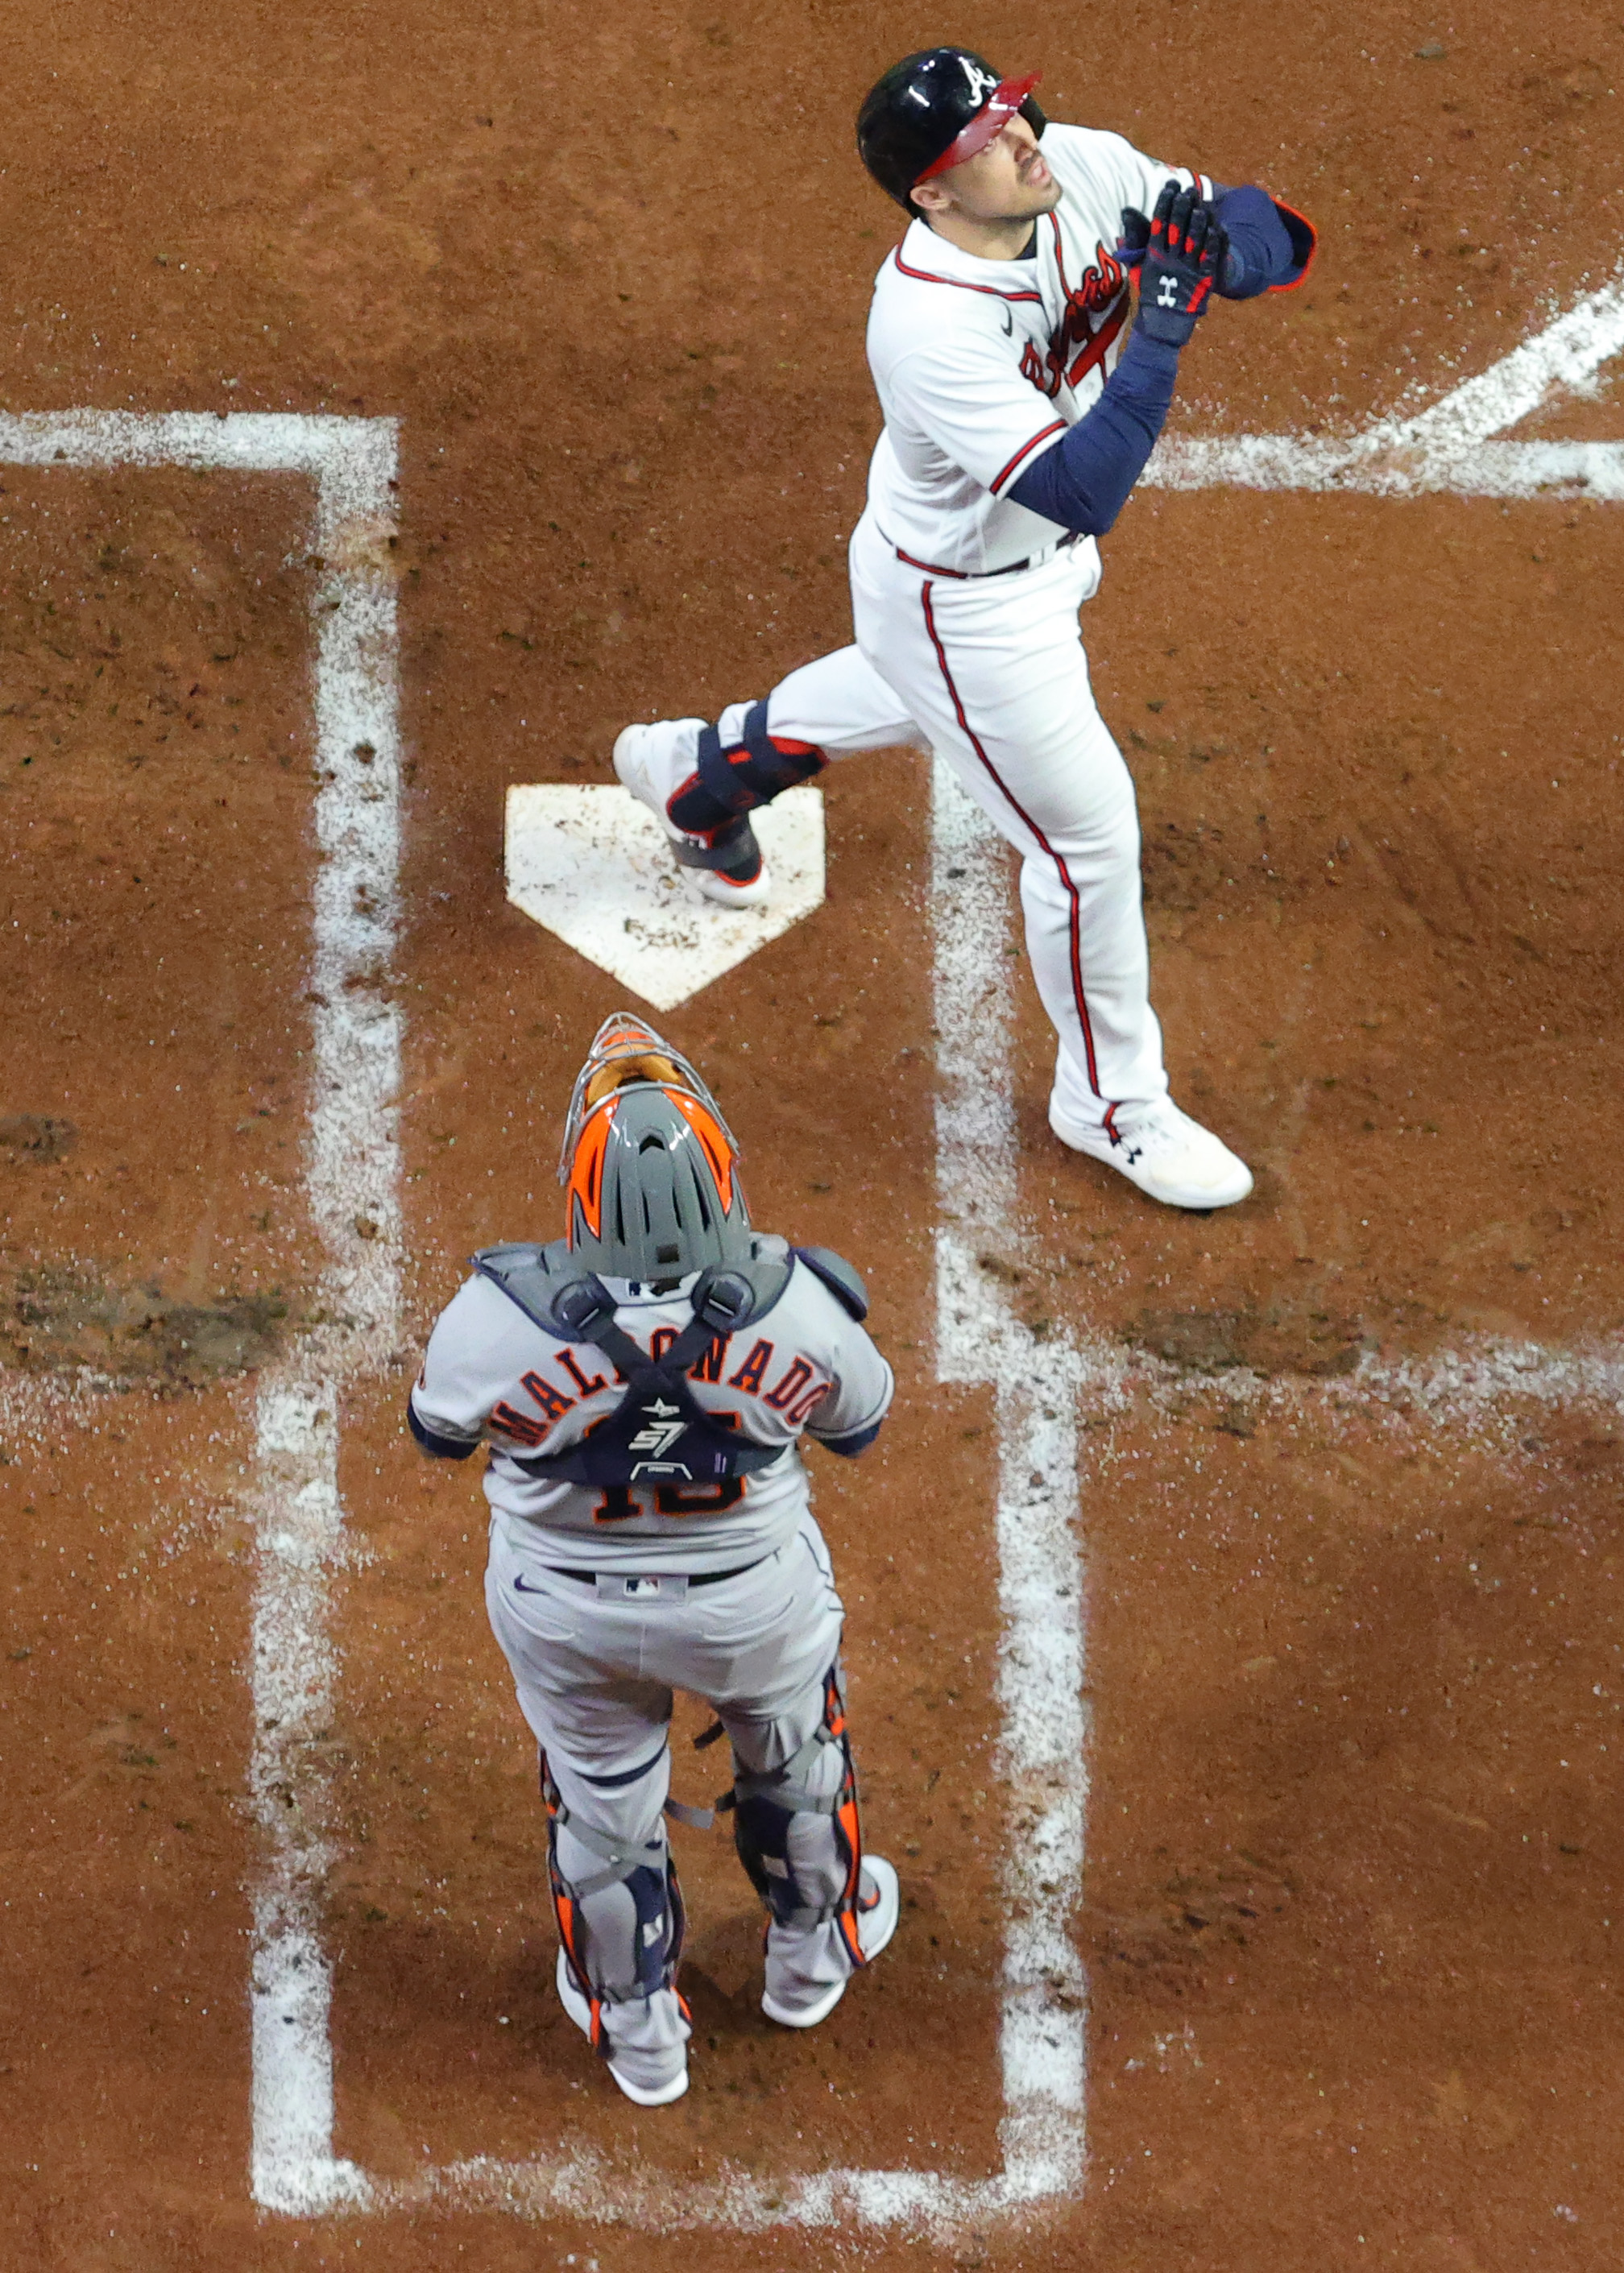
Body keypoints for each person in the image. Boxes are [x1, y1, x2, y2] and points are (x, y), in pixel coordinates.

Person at [612, 48, 1314, 1212]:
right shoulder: (927, 323)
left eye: (1013, 112)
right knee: (1085, 842)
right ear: (931, 195)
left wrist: (1218, 256)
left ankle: (697, 774)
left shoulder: (1075, 167)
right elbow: (1085, 487)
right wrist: (1167, 329)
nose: (1023, 141)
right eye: (983, 142)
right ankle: (1111, 1104)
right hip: (969, 604)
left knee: (906, 691)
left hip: (977, 581)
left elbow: (1263, 225)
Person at [407, 1014, 899, 2105]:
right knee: (795, 1754)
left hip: (566, 1614)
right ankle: (810, 1960)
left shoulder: (493, 1319)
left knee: (601, 1812)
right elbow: (862, 1422)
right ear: (723, 1176)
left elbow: (435, 1431)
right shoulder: (800, 1306)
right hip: (751, 1604)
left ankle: (643, 2040)